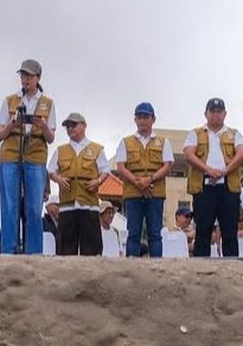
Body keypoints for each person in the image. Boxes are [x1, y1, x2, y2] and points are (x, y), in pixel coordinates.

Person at [0, 59, 56, 254]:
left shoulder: (48, 103)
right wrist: (14, 123)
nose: (25, 80)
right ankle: (9, 250)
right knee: (10, 205)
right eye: (23, 76)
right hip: (11, 154)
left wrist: (43, 125)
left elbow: (50, 138)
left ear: (38, 78)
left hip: (35, 156)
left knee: (33, 207)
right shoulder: (10, 100)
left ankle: (34, 253)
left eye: (29, 76)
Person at [183, 98, 243, 257]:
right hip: (204, 186)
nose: (215, 115)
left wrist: (224, 171)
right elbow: (189, 154)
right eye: (212, 111)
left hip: (228, 187)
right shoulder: (195, 133)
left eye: (219, 112)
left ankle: (231, 270)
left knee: (230, 231)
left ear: (225, 114)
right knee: (203, 230)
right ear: (206, 113)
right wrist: (208, 170)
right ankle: (199, 270)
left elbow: (241, 153)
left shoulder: (234, 133)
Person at [116, 102, 174, 258]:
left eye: (146, 117)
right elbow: (121, 166)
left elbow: (167, 165)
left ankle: (157, 266)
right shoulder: (125, 142)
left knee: (155, 232)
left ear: (153, 119)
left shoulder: (163, 141)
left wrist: (150, 179)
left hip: (155, 190)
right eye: (139, 117)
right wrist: (137, 182)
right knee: (133, 232)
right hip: (133, 192)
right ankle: (132, 266)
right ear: (135, 120)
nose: (143, 120)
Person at [49, 113, 110, 255]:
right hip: (67, 205)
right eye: (68, 126)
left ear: (84, 125)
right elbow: (51, 169)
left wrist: (98, 181)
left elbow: (106, 170)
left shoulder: (96, 149)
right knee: (65, 249)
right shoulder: (61, 150)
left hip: (88, 204)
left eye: (74, 125)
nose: (70, 129)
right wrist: (58, 179)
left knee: (91, 249)